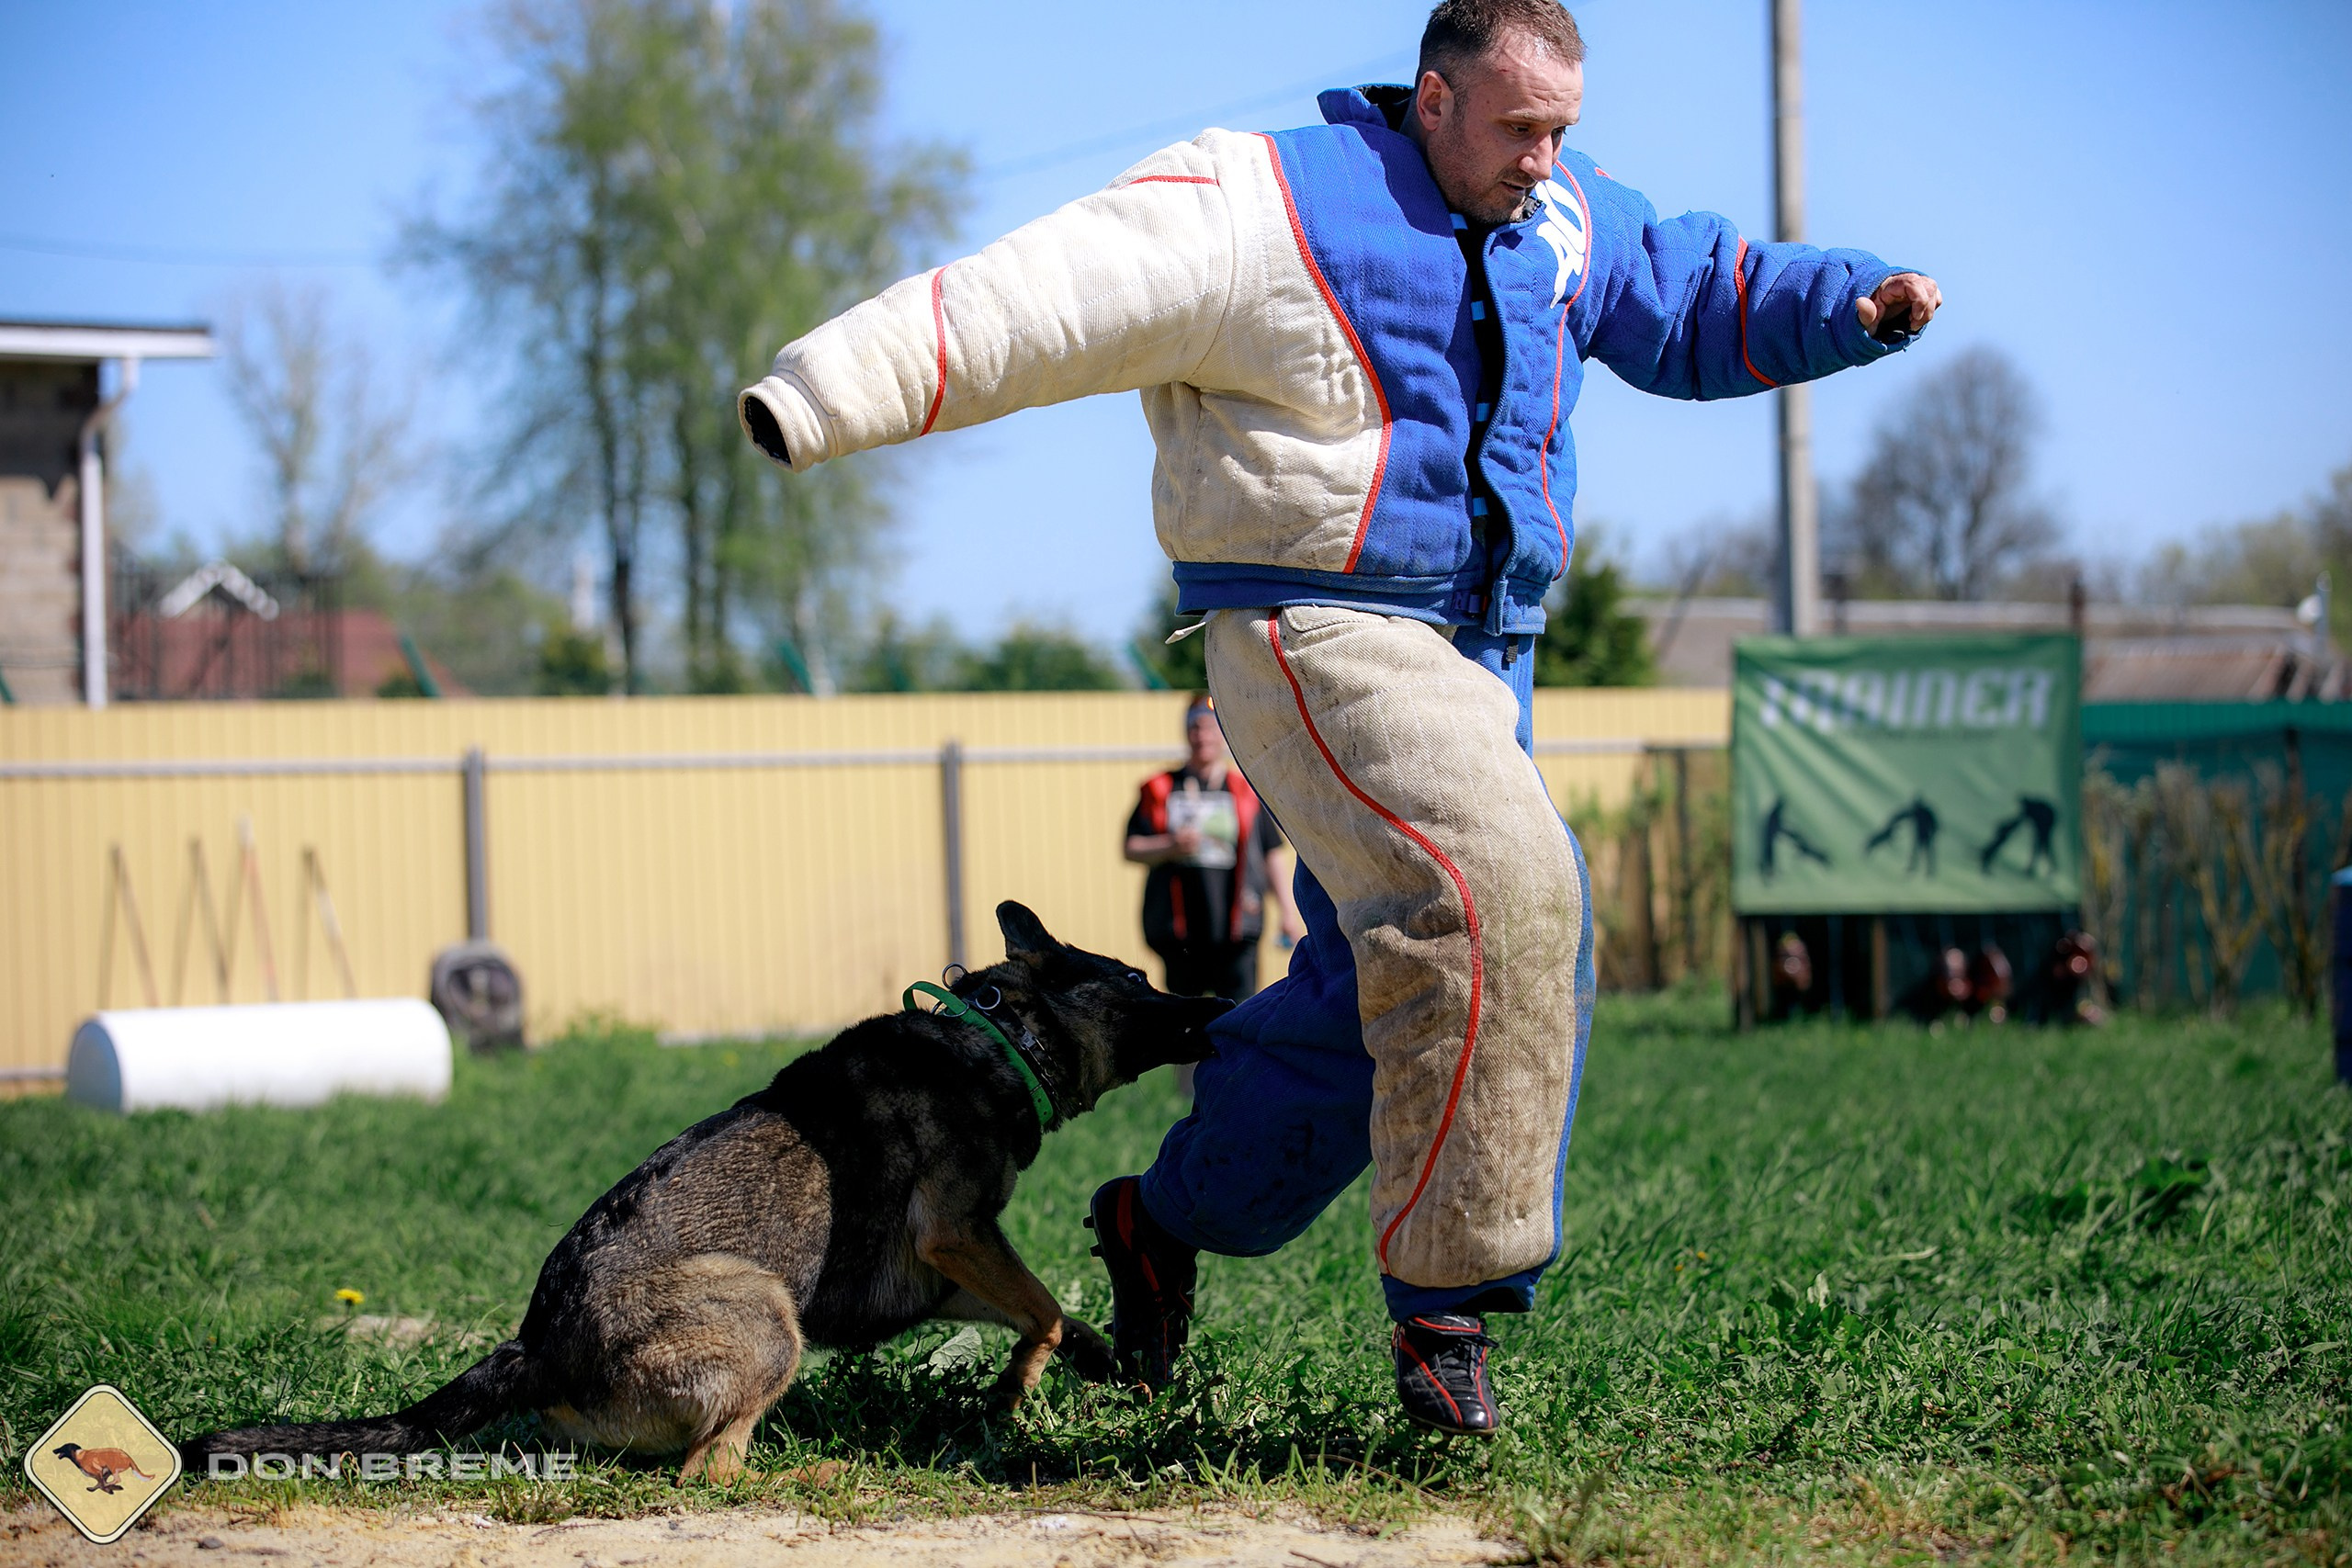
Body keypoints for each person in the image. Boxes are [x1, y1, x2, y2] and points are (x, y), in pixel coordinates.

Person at [739, 0, 1939, 1435]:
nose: (1544, 158)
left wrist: (1850, 303)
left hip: (1484, 651)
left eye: (1563, 129)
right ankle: (1450, 1304)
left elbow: (1692, 291)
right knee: (1501, 890)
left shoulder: (1563, 213)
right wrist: (820, 392)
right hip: (1318, 627)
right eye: (1518, 126)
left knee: (1371, 990)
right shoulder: (1272, 204)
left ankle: (1162, 1217)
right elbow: (1047, 292)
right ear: (1432, 98)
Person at [1125, 694, 1306, 1092]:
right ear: (1185, 733)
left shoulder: (1246, 791)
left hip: (1237, 923)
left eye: (1208, 727)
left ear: (1222, 734)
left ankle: (1241, 1089)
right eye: (1194, 727)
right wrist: (1170, 845)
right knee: (1184, 1013)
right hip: (1180, 926)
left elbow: (1271, 853)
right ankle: (1186, 1095)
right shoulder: (1160, 789)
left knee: (1240, 1010)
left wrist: (1288, 912)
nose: (1201, 735)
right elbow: (1131, 847)